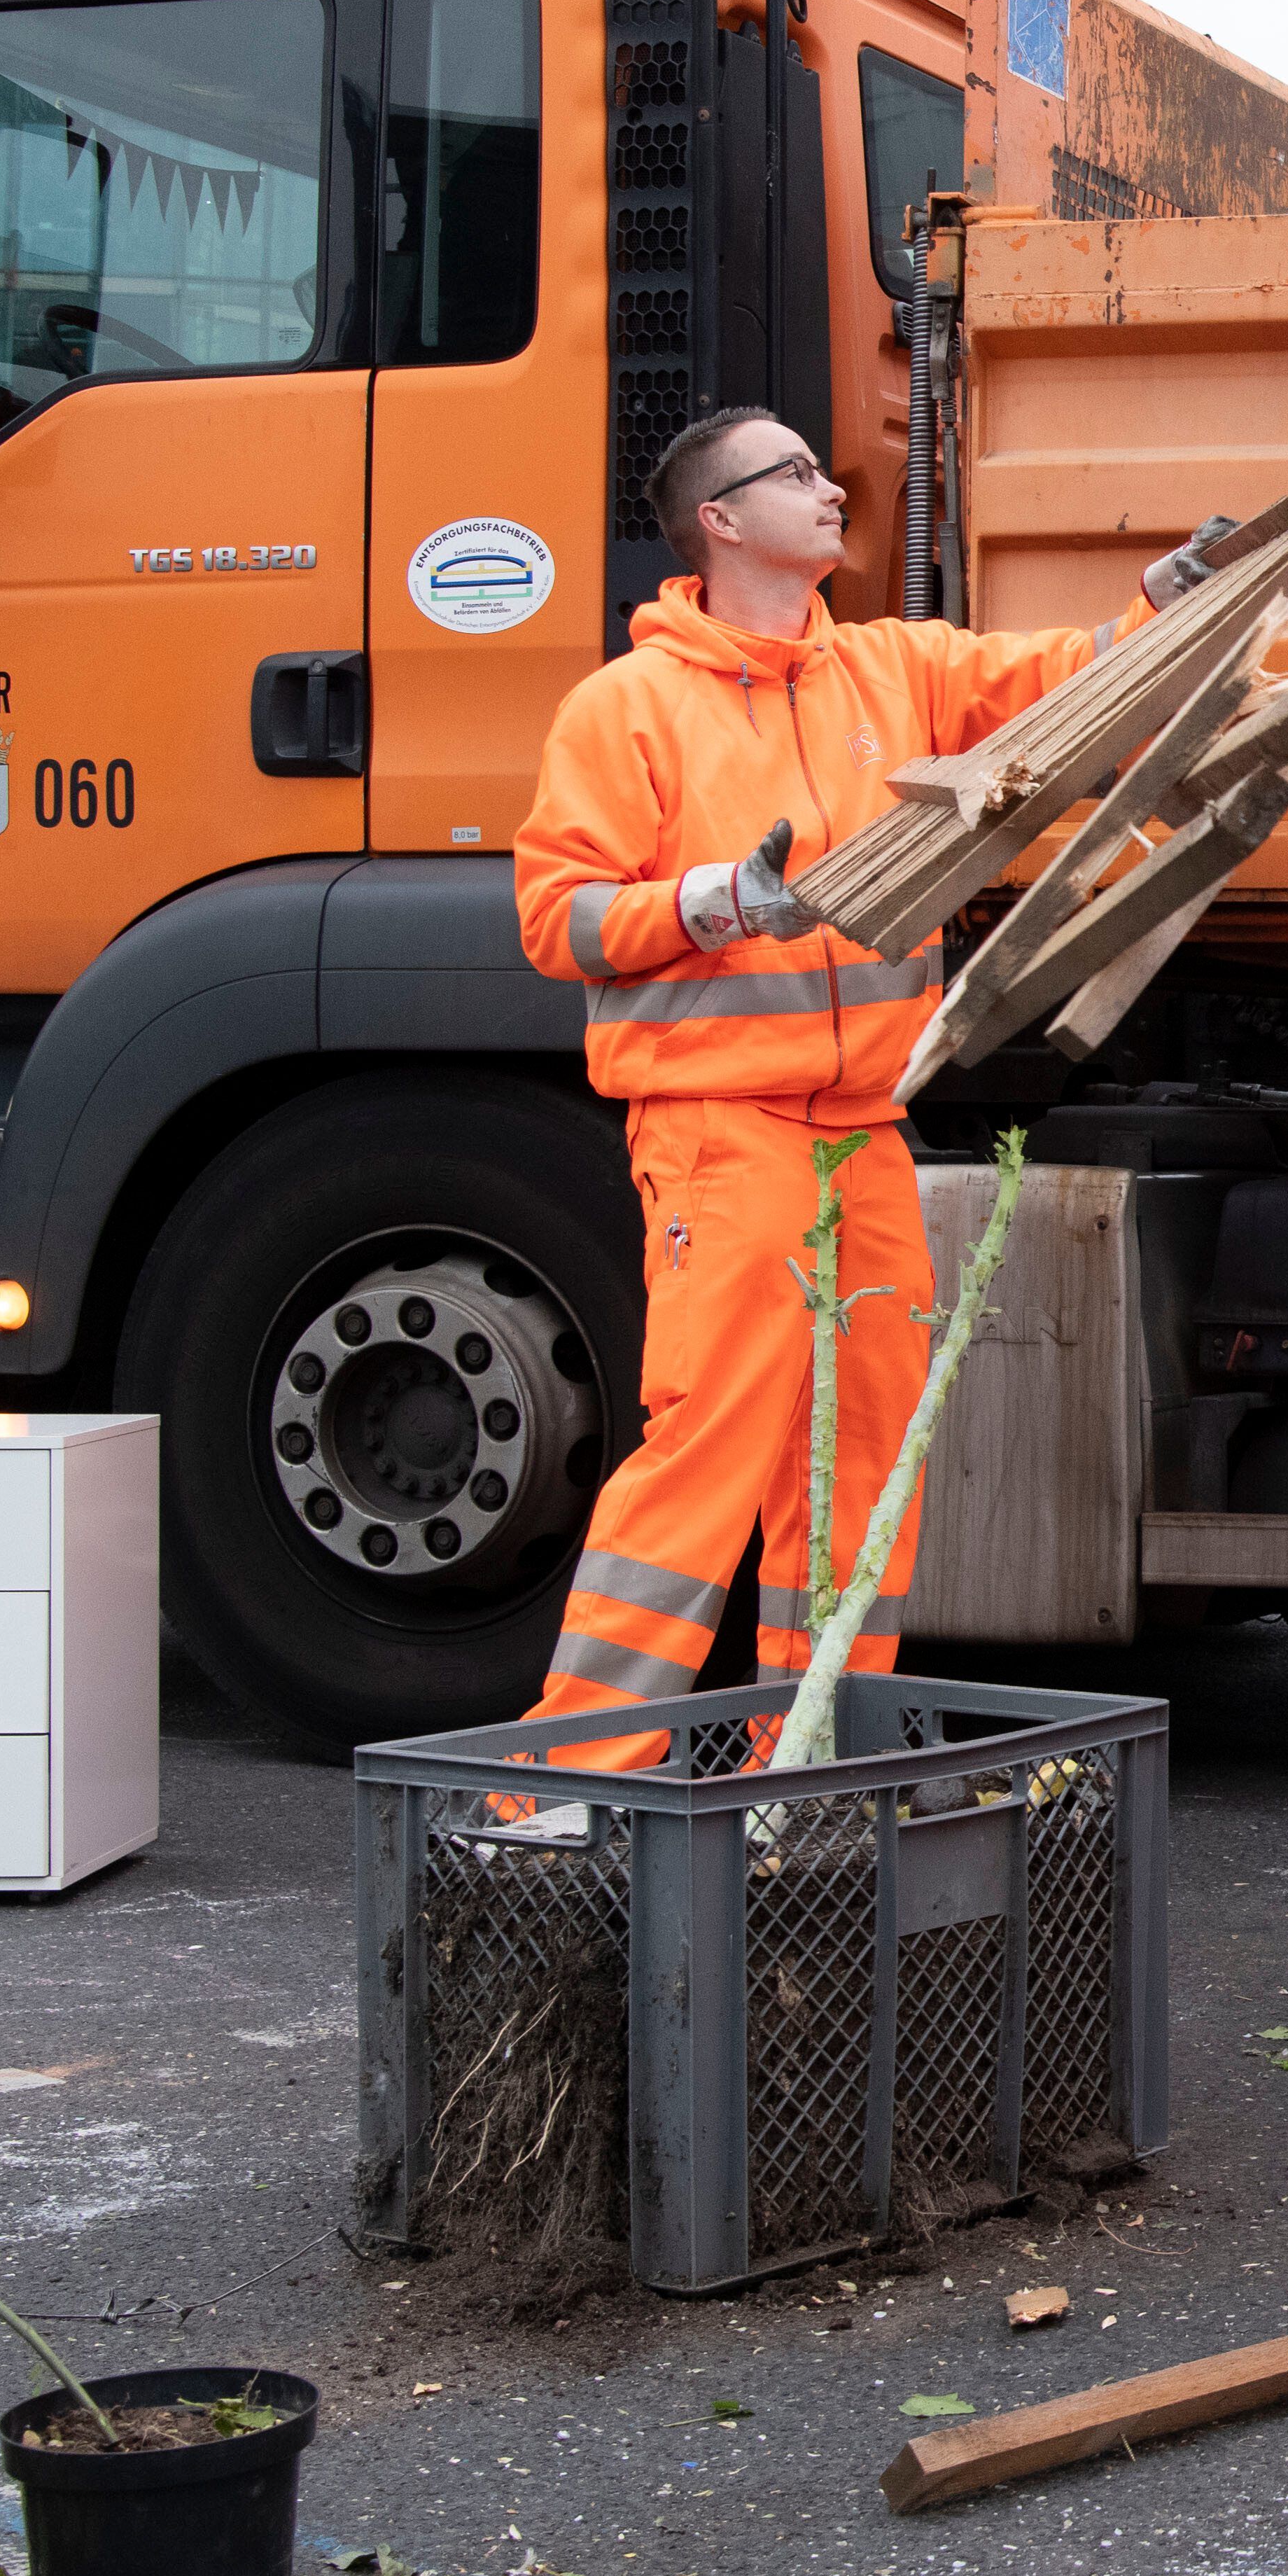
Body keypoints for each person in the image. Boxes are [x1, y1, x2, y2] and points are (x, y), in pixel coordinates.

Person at [510, 408, 1091, 1750]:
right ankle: (564, 1782)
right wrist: (719, 900)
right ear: (716, 521)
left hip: (861, 1134)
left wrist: (1154, 610)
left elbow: (1055, 677)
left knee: (863, 1466)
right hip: (722, 1129)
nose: (832, 489)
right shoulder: (627, 707)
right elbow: (558, 919)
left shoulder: (889, 668)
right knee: (708, 1450)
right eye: (793, 475)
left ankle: (809, 1765)